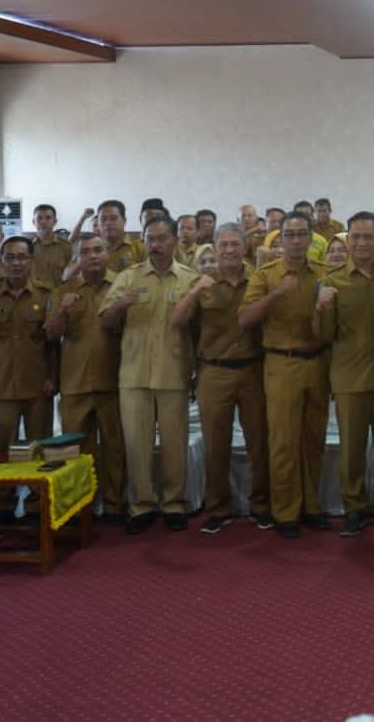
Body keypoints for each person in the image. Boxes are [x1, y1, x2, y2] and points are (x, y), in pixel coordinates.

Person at [100, 214, 198, 534]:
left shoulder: (189, 279)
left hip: (174, 371)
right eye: (150, 239)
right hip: (134, 374)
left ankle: (174, 503)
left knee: (175, 444)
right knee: (136, 445)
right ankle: (141, 505)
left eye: (161, 239)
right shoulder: (128, 277)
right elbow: (105, 321)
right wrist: (120, 305)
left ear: (174, 241)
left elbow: (199, 329)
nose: (155, 245)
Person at [171, 223, 269, 535]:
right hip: (213, 371)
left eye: (234, 244)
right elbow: (177, 321)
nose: (228, 250)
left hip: (253, 369)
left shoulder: (259, 279)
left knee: (259, 442)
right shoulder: (202, 282)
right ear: (214, 248)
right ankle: (218, 508)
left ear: (244, 247)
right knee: (216, 444)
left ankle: (261, 505)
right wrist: (195, 291)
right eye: (223, 245)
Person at [239, 212, 330, 539]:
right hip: (281, 363)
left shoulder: (323, 273)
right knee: (283, 441)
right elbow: (245, 320)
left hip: (317, 362)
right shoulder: (266, 275)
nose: (295, 241)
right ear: (280, 239)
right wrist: (277, 294)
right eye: (289, 235)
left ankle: (312, 506)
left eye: (302, 234)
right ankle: (285, 511)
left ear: (310, 238)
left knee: (313, 439)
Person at [315, 211, 374, 537]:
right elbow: (323, 335)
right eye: (355, 237)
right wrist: (320, 308)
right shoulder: (332, 280)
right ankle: (353, 506)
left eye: (368, 236)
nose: (361, 243)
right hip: (349, 378)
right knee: (351, 449)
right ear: (347, 239)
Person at [0, 236, 55, 522]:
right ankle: (3, 503)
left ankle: (35, 505)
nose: (16, 263)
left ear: (32, 260)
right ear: (2, 262)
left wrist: (53, 376)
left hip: (37, 383)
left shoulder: (46, 294)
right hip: (1, 384)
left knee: (38, 445)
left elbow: (54, 343)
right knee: (2, 448)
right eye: (10, 258)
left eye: (22, 257)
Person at [45, 231, 127, 523]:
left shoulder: (122, 285)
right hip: (75, 382)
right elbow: (51, 335)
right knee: (77, 450)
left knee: (115, 447)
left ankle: (115, 504)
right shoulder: (64, 291)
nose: (92, 256)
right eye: (85, 252)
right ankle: (82, 506)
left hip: (114, 381)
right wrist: (63, 311)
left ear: (107, 253)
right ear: (77, 259)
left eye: (98, 250)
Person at [96, 200, 147, 273]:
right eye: (103, 219)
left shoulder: (140, 248)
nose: (108, 223)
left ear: (124, 221)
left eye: (113, 218)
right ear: (98, 223)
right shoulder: (92, 250)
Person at [29, 204, 73, 287]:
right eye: (39, 218)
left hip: (57, 293)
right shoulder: (27, 246)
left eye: (48, 218)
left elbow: (70, 275)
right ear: (33, 222)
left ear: (55, 221)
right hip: (33, 293)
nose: (43, 222)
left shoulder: (66, 247)